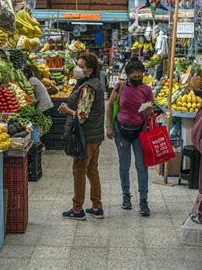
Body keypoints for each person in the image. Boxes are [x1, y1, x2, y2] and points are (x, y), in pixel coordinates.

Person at [58, 53, 105, 220]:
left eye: (81, 66)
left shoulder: (88, 87)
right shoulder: (94, 83)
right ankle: (96, 206)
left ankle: (77, 209)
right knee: (92, 170)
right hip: (94, 135)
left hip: (85, 137)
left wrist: (67, 110)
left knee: (79, 170)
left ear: (89, 70)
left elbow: (82, 115)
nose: (77, 68)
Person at [106, 59, 154, 216]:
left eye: (139, 76)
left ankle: (143, 200)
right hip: (121, 131)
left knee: (142, 166)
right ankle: (126, 196)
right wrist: (109, 126)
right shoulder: (120, 87)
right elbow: (110, 104)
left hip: (139, 131)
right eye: (134, 76)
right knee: (124, 165)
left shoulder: (146, 90)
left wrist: (149, 110)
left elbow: (150, 109)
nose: (137, 79)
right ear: (128, 75)